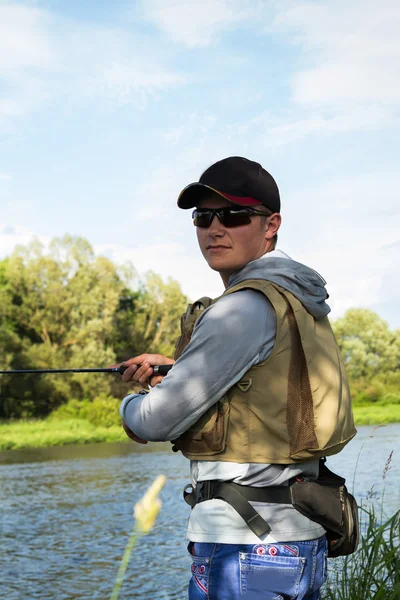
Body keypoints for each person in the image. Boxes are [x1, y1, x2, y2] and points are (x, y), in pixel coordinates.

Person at [119, 156, 356, 600]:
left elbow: (154, 421)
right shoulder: (294, 296)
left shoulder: (242, 307)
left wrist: (131, 406)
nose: (214, 228)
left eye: (234, 215)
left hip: (246, 548)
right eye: (203, 217)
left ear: (271, 224)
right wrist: (175, 370)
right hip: (293, 542)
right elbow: (258, 384)